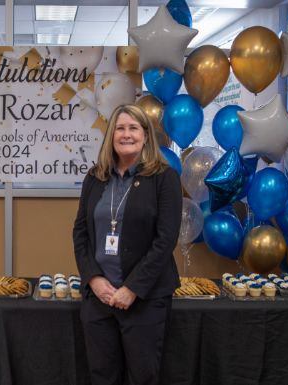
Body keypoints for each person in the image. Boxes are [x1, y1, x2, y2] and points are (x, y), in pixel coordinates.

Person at [72, 104, 182, 385]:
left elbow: (165, 240)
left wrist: (132, 288)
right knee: (101, 376)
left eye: (133, 128)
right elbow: (80, 233)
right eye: (120, 128)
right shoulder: (95, 177)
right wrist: (94, 279)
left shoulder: (164, 178)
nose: (126, 134)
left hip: (145, 299)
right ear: (111, 136)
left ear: (146, 135)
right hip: (99, 299)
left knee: (143, 377)